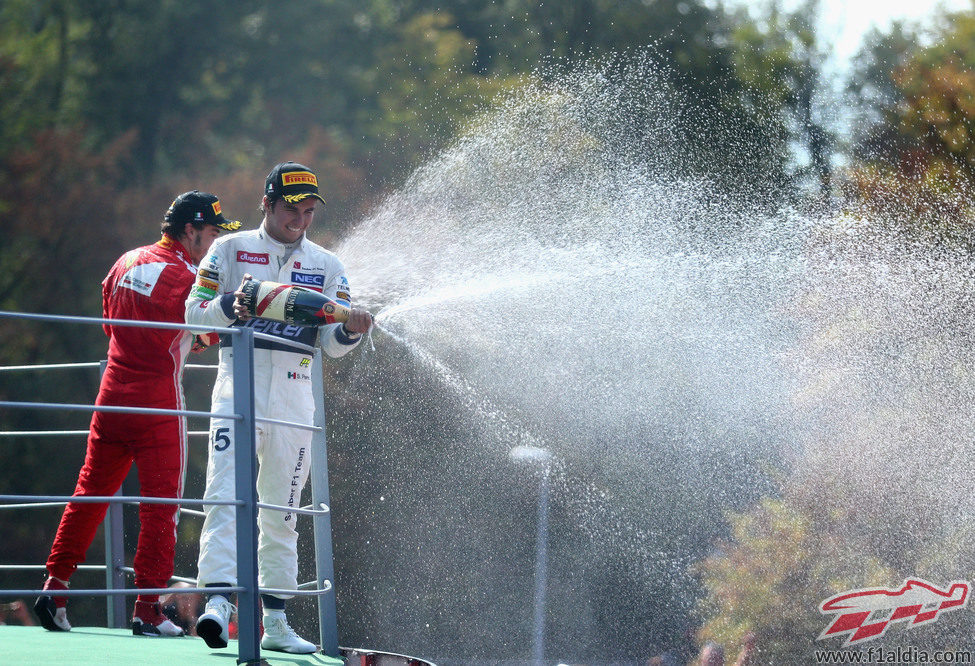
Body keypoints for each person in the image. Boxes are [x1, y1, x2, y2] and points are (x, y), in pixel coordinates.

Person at [186, 162, 372, 654]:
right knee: (224, 494)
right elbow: (193, 314)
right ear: (267, 203)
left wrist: (352, 329)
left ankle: (277, 621)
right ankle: (219, 604)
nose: (301, 220)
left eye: (309, 211)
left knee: (283, 509)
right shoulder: (227, 249)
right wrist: (235, 305)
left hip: (295, 393)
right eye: (292, 209)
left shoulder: (329, 265)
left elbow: (332, 344)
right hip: (236, 387)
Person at [33, 192, 239, 636]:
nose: (216, 240)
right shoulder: (189, 276)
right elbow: (203, 333)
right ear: (190, 230)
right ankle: (147, 611)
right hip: (158, 401)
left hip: (111, 397)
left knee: (88, 495)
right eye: (212, 231)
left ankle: (54, 588)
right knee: (160, 508)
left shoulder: (123, 262)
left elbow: (110, 324)